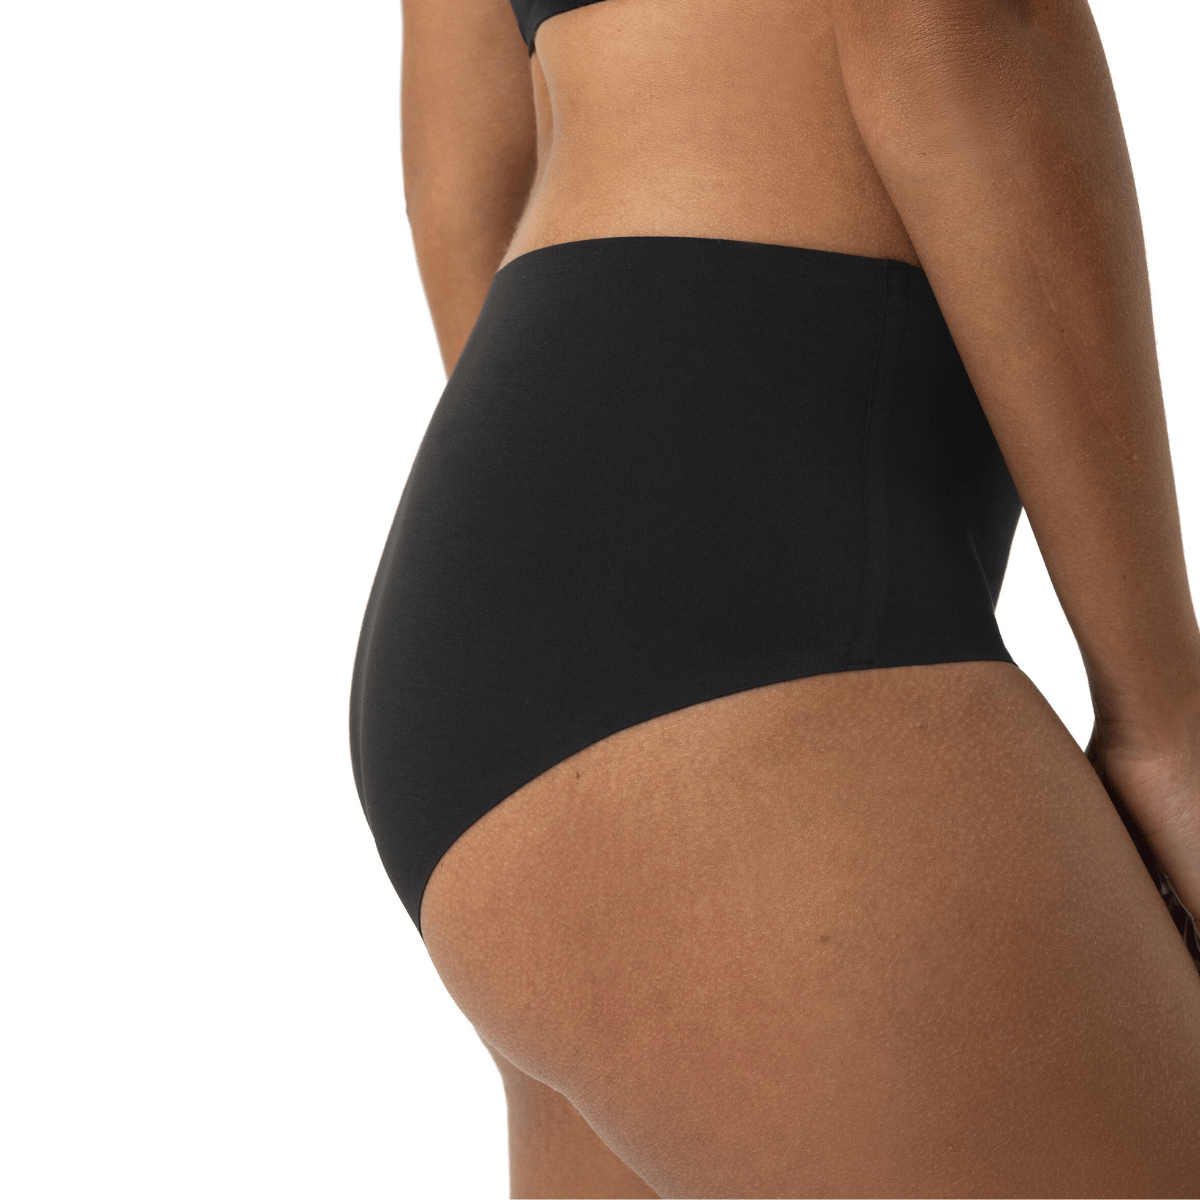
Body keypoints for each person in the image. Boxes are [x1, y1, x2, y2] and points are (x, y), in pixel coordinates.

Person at [349, 0, 1200, 1193]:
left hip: (499, 610)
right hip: (754, 633)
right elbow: (952, 29)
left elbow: (464, 176)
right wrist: (1163, 718)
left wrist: (595, 579)